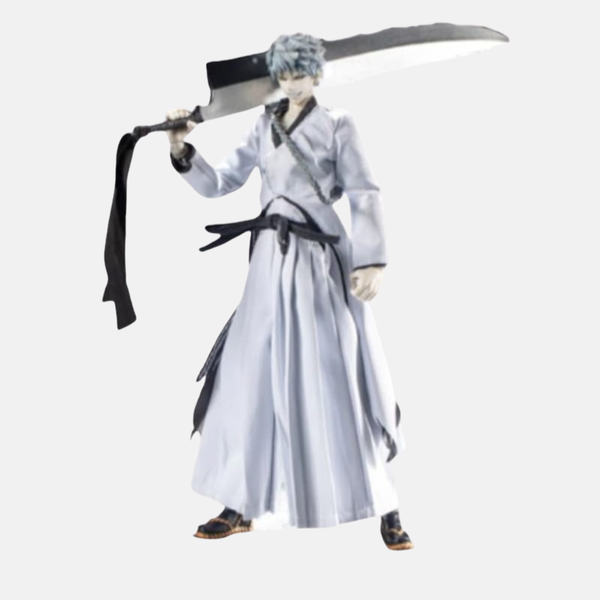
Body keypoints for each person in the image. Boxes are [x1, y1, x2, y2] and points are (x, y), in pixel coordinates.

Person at [166, 32, 413, 550]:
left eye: (300, 73)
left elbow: (365, 192)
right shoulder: (263, 126)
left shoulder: (339, 124)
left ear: (316, 75)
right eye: (284, 74)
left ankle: (383, 502)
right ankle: (239, 502)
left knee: (339, 375)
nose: (292, 82)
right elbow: (221, 182)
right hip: (268, 267)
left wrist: (371, 261)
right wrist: (183, 150)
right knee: (248, 376)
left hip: (319, 264)